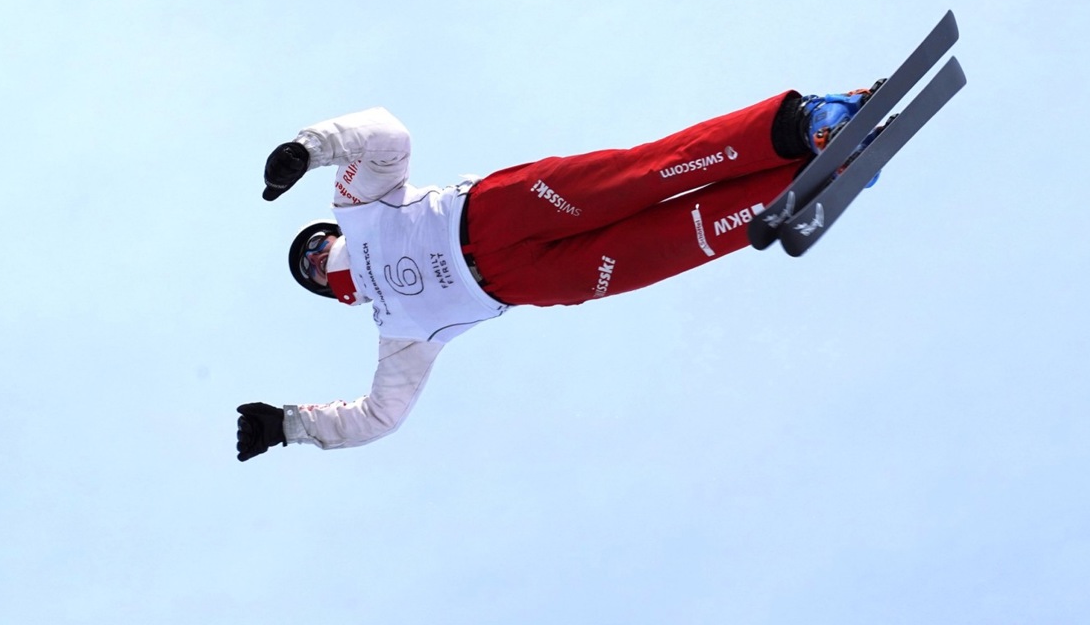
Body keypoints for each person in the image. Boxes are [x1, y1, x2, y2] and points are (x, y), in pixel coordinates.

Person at [235, 85, 880, 461]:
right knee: (670, 244)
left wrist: (308, 150)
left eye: (313, 250)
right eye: (310, 273)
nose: (318, 263)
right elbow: (380, 416)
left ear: (326, 234)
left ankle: (800, 124)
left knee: (645, 173)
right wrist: (290, 425)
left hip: (498, 211)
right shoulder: (398, 329)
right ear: (325, 294)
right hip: (526, 283)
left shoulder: (358, 209)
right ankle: (803, 178)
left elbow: (387, 137)